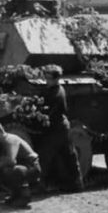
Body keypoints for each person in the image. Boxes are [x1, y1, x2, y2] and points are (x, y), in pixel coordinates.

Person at [36, 64, 84, 192]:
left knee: (45, 155)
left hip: (56, 128)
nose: (46, 79)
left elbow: (49, 112)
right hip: (61, 126)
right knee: (69, 156)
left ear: (55, 78)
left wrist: (38, 114)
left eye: (48, 77)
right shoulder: (56, 89)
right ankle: (76, 183)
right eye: (45, 76)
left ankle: (39, 184)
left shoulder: (56, 93)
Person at [0, 119, 41, 207]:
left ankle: (24, 196)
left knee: (10, 170)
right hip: (24, 167)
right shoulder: (0, 143)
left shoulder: (10, 140)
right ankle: (16, 195)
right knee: (4, 171)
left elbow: (10, 160)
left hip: (31, 167)